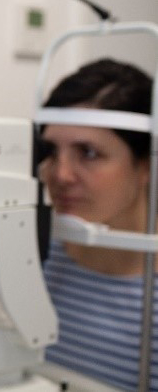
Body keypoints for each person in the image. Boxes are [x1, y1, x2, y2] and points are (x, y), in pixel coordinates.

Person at [38, 58, 158, 391]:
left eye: (88, 153)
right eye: (51, 151)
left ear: (146, 164)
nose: (60, 175)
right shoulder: (47, 256)